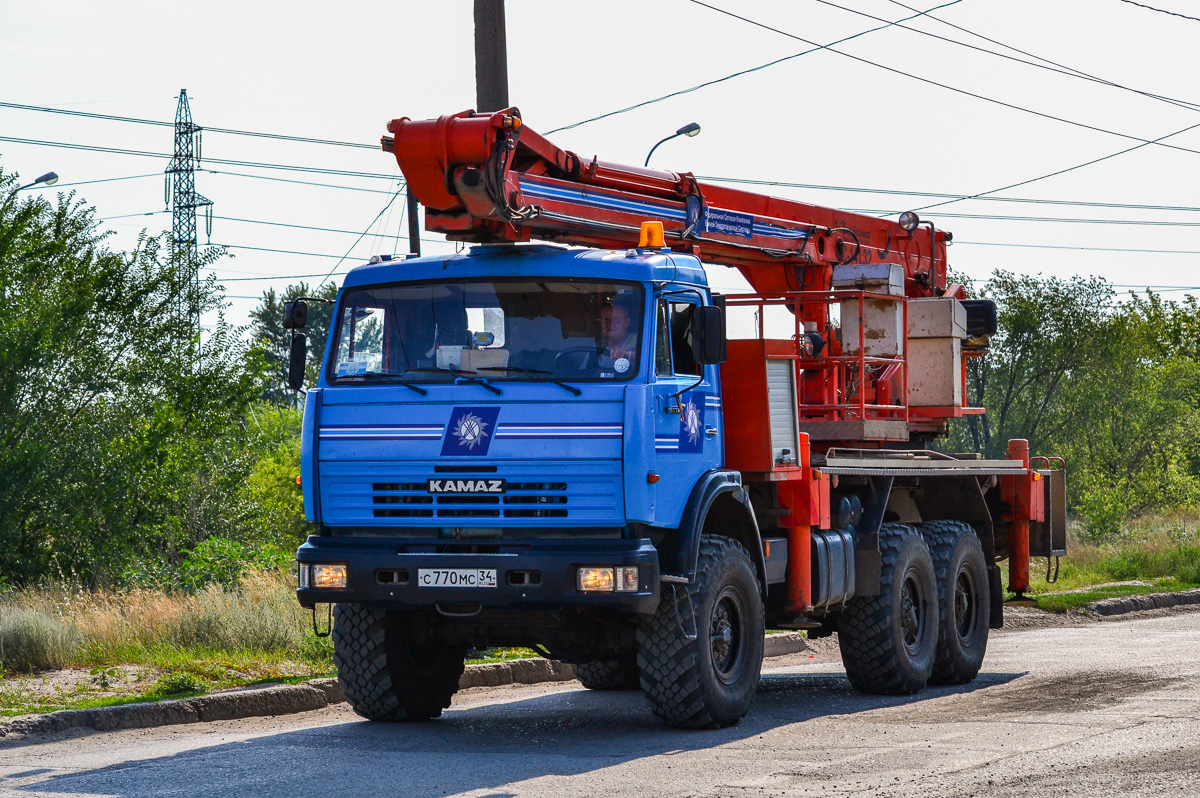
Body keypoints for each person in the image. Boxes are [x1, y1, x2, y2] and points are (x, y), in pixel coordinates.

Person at [600, 296, 638, 363]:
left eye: (616, 320)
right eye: (606, 320)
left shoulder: (638, 340)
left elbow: (646, 354)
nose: (610, 324)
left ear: (627, 322)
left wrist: (626, 354)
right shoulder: (597, 347)